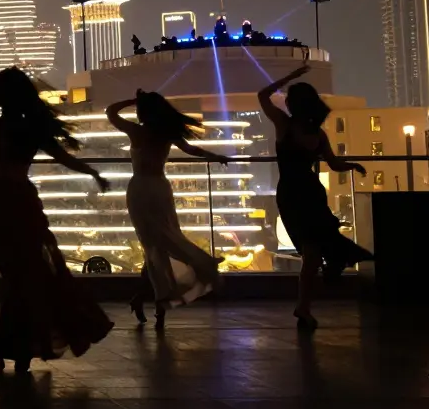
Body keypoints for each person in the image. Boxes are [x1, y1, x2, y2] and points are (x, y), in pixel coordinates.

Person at [0, 46, 114, 373]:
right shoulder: (22, 128)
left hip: (3, 204)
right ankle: (19, 345)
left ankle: (15, 346)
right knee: (21, 275)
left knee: (19, 276)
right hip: (13, 204)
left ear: (7, 95)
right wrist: (92, 173)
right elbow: (65, 158)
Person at [258, 64, 372, 331]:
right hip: (305, 194)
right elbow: (334, 164)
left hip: (296, 194)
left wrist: (291, 75)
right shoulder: (312, 133)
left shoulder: (285, 126)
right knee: (313, 252)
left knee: (312, 253)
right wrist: (352, 166)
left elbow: (263, 96)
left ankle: (304, 307)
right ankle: (305, 305)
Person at [107, 90, 233, 328]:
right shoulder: (166, 133)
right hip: (161, 188)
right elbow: (191, 150)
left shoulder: (137, 131)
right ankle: (148, 299)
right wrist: (214, 155)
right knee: (163, 240)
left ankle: (193, 265)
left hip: (141, 189)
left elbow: (111, 112)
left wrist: (131, 100)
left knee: (155, 245)